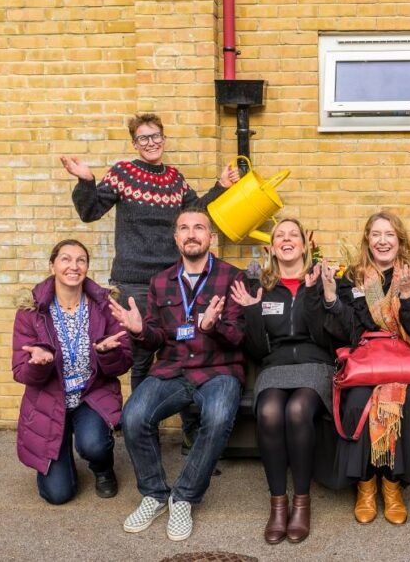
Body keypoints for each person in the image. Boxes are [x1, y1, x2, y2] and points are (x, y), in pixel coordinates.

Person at [61, 113, 239, 394]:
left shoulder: (175, 180)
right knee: (140, 356)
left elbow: (197, 214)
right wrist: (86, 181)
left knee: (180, 348)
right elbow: (90, 211)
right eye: (143, 138)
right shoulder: (123, 174)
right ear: (135, 144)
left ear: (164, 139)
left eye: (155, 136)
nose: (151, 142)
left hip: (173, 281)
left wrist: (221, 187)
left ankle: (180, 421)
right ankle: (140, 425)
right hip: (135, 283)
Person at [110, 208, 245, 541]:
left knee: (216, 416)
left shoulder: (232, 277)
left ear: (210, 237)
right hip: (173, 368)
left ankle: (183, 497)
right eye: (184, 228)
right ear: (176, 238)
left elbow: (241, 337)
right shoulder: (160, 281)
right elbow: (157, 337)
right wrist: (141, 331)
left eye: (199, 227)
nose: (191, 233)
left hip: (219, 369)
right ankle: (154, 494)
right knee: (134, 415)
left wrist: (214, 328)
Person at [319, 211, 410, 526]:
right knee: (358, 401)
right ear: (367, 240)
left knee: (406, 404)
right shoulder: (354, 278)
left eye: (389, 234)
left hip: (405, 365)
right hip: (366, 364)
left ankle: (393, 486)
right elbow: (347, 332)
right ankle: (366, 485)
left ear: (399, 240)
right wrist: (331, 298)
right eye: (376, 234)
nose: (383, 241)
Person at [230, 218, 335, 544]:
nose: (287, 240)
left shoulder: (320, 281)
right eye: (280, 236)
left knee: (298, 411)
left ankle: (301, 502)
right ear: (271, 247)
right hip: (274, 367)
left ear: (305, 245)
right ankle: (278, 504)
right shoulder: (261, 286)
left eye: (294, 235)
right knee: (270, 412)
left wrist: (322, 295)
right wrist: (251, 312)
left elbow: (328, 337)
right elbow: (259, 351)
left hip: (315, 365)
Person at [12, 240, 133, 505]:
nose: (73, 266)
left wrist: (107, 353)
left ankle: (102, 468)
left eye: (81, 260)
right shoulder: (30, 311)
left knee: (93, 445)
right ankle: (59, 447)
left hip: (91, 395)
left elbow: (124, 363)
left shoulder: (104, 306)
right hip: (49, 400)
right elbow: (20, 371)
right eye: (65, 259)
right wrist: (38, 364)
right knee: (58, 495)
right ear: (52, 265)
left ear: (87, 267)